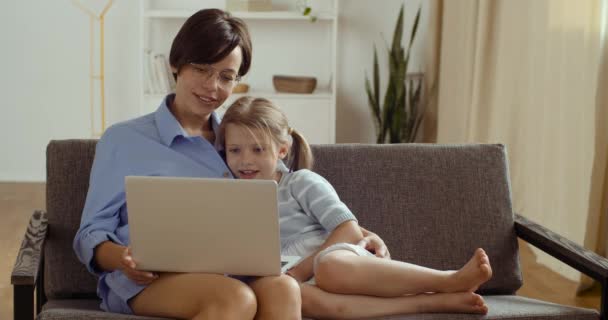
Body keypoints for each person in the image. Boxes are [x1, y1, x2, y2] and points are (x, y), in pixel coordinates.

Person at [73, 9, 388, 320]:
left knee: (283, 289)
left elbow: (287, 198)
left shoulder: (241, 140)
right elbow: (90, 233)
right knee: (236, 298)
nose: (212, 87)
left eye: (226, 77)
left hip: (236, 273)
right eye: (201, 69)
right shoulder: (124, 139)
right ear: (176, 65)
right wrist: (124, 259)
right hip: (150, 280)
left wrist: (358, 233)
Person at [218, 96, 494, 319]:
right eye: (235, 150)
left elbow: (348, 229)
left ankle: (447, 280)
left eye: (257, 150)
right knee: (301, 297)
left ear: (282, 150)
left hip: (333, 258)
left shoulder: (300, 182)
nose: (245, 161)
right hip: (293, 279)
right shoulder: (232, 197)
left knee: (330, 268)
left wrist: (303, 269)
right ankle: (428, 304)